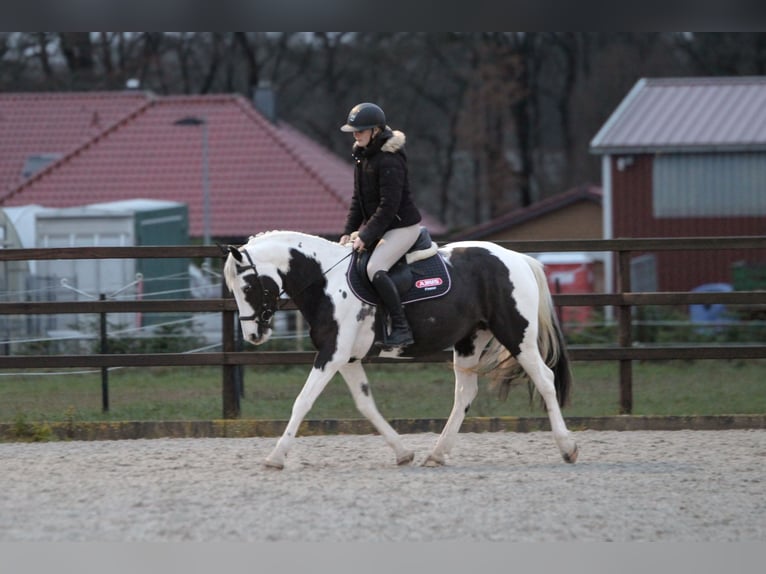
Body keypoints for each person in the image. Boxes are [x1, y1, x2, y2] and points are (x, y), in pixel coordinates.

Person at [339, 102, 422, 348]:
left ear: (376, 130)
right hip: (382, 227)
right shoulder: (362, 156)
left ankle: (401, 328)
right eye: (354, 130)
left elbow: (389, 207)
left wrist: (365, 235)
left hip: (402, 226)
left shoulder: (389, 159)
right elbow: (357, 201)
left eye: (361, 130)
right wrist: (346, 232)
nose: (356, 134)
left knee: (375, 267)